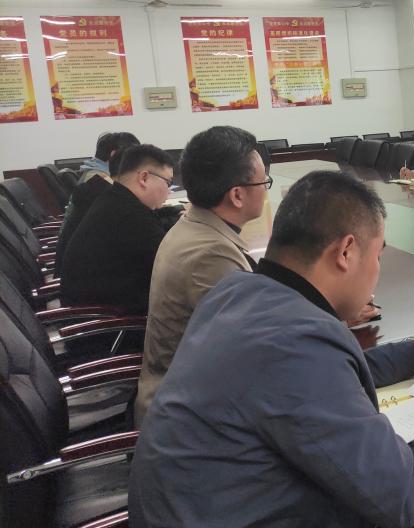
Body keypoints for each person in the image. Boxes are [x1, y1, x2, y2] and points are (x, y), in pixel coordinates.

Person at [129, 170, 414, 528]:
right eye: (378, 255)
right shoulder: (297, 345)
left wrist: (411, 355)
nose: (378, 269)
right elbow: (404, 493)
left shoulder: (236, 293)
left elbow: (310, 380)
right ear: (346, 252)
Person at [134, 126, 266, 425]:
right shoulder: (210, 255)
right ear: (237, 195)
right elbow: (255, 348)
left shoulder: (194, 226)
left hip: (188, 393)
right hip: (188, 418)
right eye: (263, 182)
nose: (265, 189)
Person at [61, 144, 176, 313]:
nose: (169, 191)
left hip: (95, 308)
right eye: (168, 182)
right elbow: (174, 266)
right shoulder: (131, 217)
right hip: (108, 322)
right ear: (144, 178)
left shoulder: (114, 200)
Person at [55, 132, 139, 275]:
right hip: (81, 268)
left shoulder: (95, 173)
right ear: (114, 155)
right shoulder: (98, 182)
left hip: (77, 258)